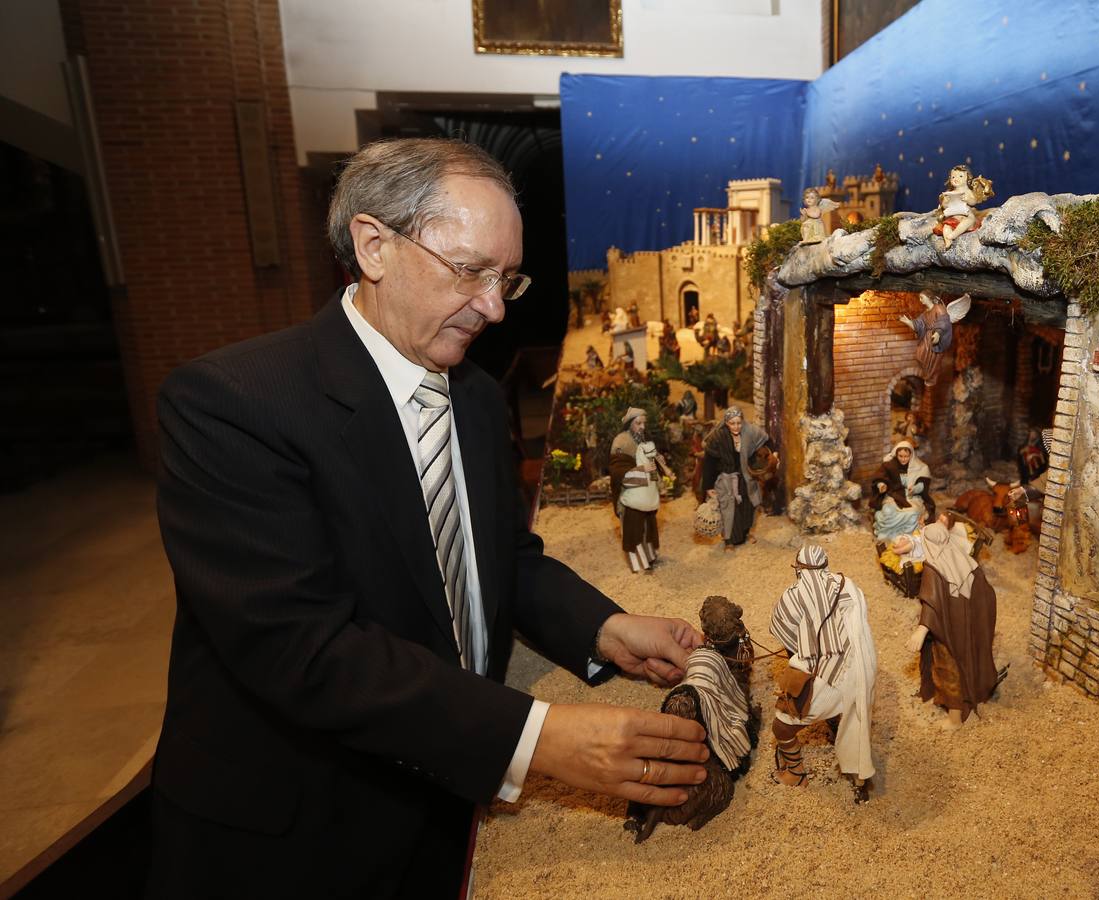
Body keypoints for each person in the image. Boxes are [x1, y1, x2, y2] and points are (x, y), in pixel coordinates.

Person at [150, 137, 711, 898]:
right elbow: (303, 649)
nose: (491, 307)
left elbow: (500, 556)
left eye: (506, 279)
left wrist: (603, 629)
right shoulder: (232, 406)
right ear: (374, 246)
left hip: (445, 786)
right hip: (304, 834)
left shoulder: (474, 397)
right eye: (470, 270)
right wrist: (536, 737)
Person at [768, 545, 877, 802]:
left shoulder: (792, 595)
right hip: (864, 669)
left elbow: (783, 633)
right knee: (858, 720)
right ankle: (860, 776)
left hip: (830, 679)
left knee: (781, 726)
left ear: (799, 569)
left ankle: (796, 773)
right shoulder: (848, 584)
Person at [907, 517, 999, 726]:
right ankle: (970, 693)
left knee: (947, 666)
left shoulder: (933, 568)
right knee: (967, 660)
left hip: (947, 629)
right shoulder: (966, 561)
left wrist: (921, 630)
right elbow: (987, 594)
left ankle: (955, 718)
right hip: (967, 628)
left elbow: (932, 603)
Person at [699, 407, 772, 550]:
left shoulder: (749, 433)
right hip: (726, 479)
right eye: (732, 423)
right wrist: (708, 486)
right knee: (729, 510)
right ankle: (729, 540)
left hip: (745, 477)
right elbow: (709, 464)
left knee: (748, 506)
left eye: (739, 423)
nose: (736, 426)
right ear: (726, 422)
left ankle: (745, 533)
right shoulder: (718, 438)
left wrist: (765, 461)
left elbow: (762, 445)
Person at [610, 407, 671, 574]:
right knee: (633, 529)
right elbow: (618, 471)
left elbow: (651, 461)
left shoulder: (642, 439)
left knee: (647, 526)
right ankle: (638, 562)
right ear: (630, 423)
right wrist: (641, 470)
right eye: (638, 423)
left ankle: (649, 557)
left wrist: (657, 475)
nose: (642, 426)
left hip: (647, 495)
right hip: (630, 495)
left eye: (644, 423)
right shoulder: (621, 442)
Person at [870, 440, 935, 522]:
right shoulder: (889, 465)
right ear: (896, 454)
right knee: (888, 512)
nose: (903, 459)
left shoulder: (920, 467)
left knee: (913, 513)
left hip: (911, 497)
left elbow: (923, 484)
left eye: (906, 456)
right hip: (893, 495)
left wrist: (915, 488)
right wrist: (881, 485)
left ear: (911, 455)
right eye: (900, 456)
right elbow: (879, 477)